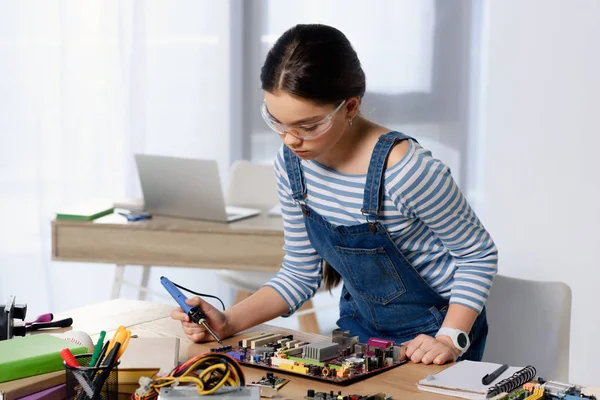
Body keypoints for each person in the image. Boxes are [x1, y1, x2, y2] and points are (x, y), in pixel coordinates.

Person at [171, 24, 498, 365]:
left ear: (351, 106)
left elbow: (478, 256)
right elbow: (300, 273)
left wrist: (450, 338)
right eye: (277, 121)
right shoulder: (293, 166)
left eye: (309, 126)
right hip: (360, 330)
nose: (290, 140)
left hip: (434, 336)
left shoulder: (407, 171)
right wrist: (228, 321)